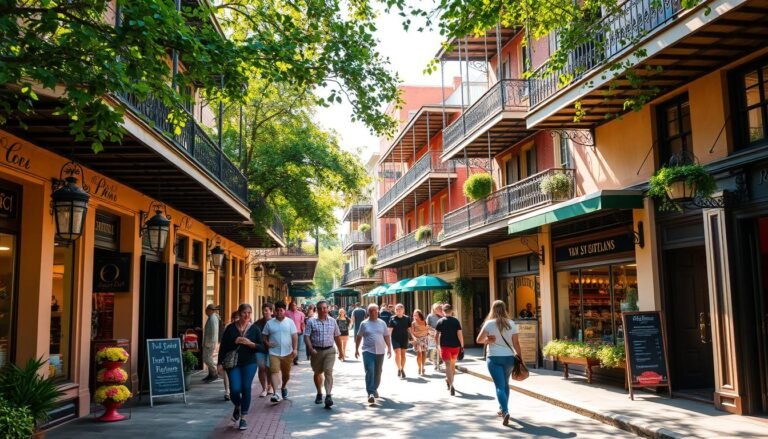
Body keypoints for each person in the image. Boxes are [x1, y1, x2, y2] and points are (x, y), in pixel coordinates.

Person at [218, 303, 266, 431]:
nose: (247, 315)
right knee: (234, 389)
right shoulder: (230, 329)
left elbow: (262, 347)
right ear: (239, 313)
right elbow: (223, 347)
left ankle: (243, 418)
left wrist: (251, 344)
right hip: (232, 363)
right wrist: (219, 363)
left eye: (249, 313)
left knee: (245, 388)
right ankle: (238, 406)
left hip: (249, 363)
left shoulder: (254, 329)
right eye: (244, 312)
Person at [477, 300, 523, 426]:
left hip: (494, 358)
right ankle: (502, 409)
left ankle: (505, 410)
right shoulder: (511, 323)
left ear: (492, 309)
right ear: (505, 309)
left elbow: (479, 340)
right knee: (505, 384)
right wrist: (520, 357)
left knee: (499, 386)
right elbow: (516, 343)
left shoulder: (489, 324)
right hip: (509, 358)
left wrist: (488, 340)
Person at [304, 300, 344, 408]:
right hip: (316, 351)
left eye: (325, 308)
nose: (323, 310)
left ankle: (328, 395)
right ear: (317, 310)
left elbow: (337, 336)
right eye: (321, 308)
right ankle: (319, 392)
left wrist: (341, 351)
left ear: (328, 309)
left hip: (330, 350)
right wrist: (311, 348)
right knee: (317, 372)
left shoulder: (332, 321)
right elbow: (306, 336)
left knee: (328, 371)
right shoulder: (311, 321)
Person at [262, 301, 298, 405]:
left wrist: (295, 349)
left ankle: (284, 386)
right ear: (274, 311)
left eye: (281, 310)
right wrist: (267, 343)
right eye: (277, 310)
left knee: (286, 375)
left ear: (284, 310)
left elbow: (294, 336)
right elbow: (264, 336)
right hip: (274, 352)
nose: (279, 312)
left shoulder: (290, 322)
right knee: (274, 371)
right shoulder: (270, 323)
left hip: (287, 353)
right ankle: (276, 393)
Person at [354, 303, 392, 404]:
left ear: (378, 311)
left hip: (380, 351)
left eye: (375, 310)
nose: (374, 312)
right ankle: (370, 392)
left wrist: (389, 348)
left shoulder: (382, 323)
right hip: (367, 351)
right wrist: (356, 349)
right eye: (371, 311)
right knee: (370, 370)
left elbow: (386, 336)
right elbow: (359, 336)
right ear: (368, 312)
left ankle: (374, 388)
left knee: (378, 371)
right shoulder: (364, 323)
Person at [436, 304, 464, 396]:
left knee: (447, 365)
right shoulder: (456, 321)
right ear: (452, 311)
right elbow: (460, 334)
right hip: (455, 346)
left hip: (445, 346)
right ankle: (450, 382)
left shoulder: (440, 321)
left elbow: (436, 335)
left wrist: (437, 345)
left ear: (443, 311)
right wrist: (462, 346)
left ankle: (451, 384)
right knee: (452, 365)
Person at [254, 303, 275, 397]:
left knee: (269, 368)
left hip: (271, 349)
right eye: (263, 310)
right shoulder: (257, 323)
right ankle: (264, 388)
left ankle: (270, 386)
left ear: (271, 311)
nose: (264, 312)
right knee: (262, 368)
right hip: (260, 349)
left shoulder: (275, 322)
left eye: (266, 310)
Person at [388, 303, 412, 378]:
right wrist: (387, 341)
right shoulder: (392, 318)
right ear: (395, 310)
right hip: (395, 338)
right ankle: (400, 368)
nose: (398, 310)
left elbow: (409, 329)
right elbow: (390, 330)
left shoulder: (407, 318)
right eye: (397, 309)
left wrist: (412, 337)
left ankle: (402, 368)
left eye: (400, 309)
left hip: (404, 338)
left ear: (403, 310)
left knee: (403, 355)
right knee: (397, 353)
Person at [220, 311, 239, 401]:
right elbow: (223, 344)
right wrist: (220, 360)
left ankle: (234, 390)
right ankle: (227, 391)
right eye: (235, 317)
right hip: (228, 354)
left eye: (238, 317)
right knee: (226, 373)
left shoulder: (246, 328)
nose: (236, 319)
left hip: (239, 356)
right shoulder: (229, 328)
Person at [202, 304, 221, 383]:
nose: (205, 311)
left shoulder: (213, 318)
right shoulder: (212, 317)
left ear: (210, 310)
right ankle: (211, 374)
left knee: (207, 358)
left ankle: (214, 373)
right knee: (207, 358)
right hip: (209, 341)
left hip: (209, 342)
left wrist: (209, 343)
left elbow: (213, 332)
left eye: (207, 310)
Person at [411, 309, 430, 375]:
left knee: (424, 353)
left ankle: (423, 367)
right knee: (419, 354)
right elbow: (412, 333)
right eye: (414, 315)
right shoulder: (413, 323)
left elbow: (427, 330)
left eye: (416, 315)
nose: (414, 316)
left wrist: (428, 332)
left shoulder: (424, 322)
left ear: (419, 315)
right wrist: (414, 338)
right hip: (417, 339)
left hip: (424, 339)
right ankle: (419, 367)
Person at [426, 303, 444, 371]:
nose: (438, 310)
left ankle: (439, 360)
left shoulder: (442, 316)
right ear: (434, 309)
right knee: (435, 349)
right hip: (433, 334)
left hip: (442, 334)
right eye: (437, 308)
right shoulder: (430, 316)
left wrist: (442, 314)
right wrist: (433, 331)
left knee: (440, 349)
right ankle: (436, 363)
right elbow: (427, 325)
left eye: (439, 308)